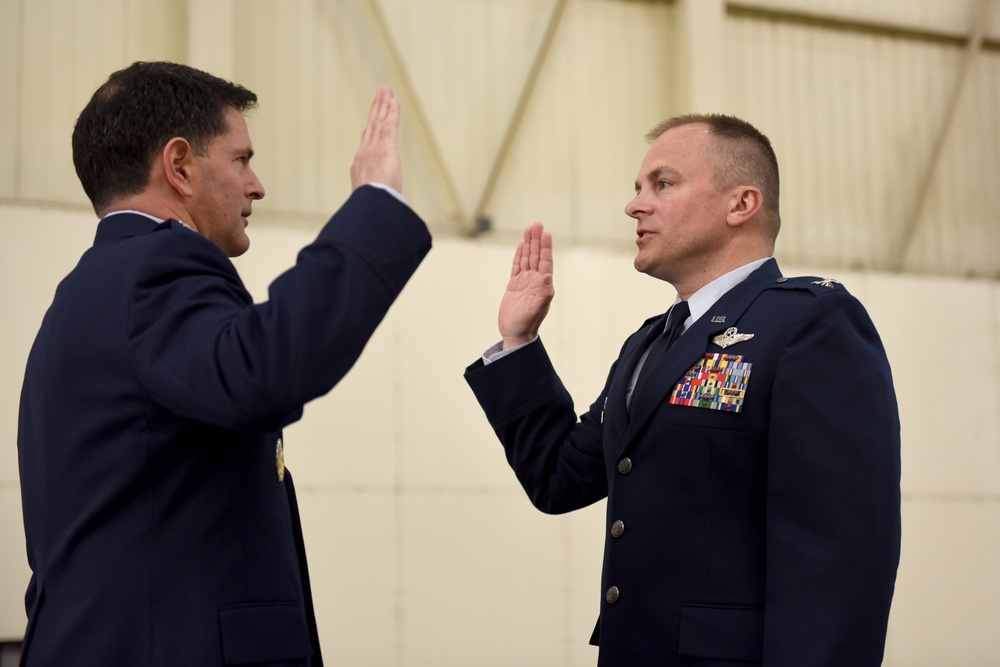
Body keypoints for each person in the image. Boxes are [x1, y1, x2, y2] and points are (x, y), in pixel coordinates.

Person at [17, 61, 430, 666]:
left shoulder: (82, 295)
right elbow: (265, 369)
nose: (257, 185)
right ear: (179, 165)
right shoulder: (154, 269)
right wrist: (374, 203)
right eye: (241, 159)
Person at [465, 115, 900, 666]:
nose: (635, 206)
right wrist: (519, 341)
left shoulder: (809, 326)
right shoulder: (649, 346)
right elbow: (559, 479)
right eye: (637, 189)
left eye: (662, 184)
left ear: (741, 204)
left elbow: (840, 558)